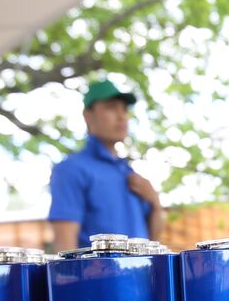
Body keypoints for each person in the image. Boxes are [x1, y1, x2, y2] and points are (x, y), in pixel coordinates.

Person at [48, 78, 166, 252]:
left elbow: (151, 243)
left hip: (142, 274)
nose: (121, 117)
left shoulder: (128, 171)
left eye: (125, 109)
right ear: (88, 115)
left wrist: (155, 203)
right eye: (111, 107)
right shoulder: (71, 169)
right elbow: (65, 249)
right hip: (98, 278)